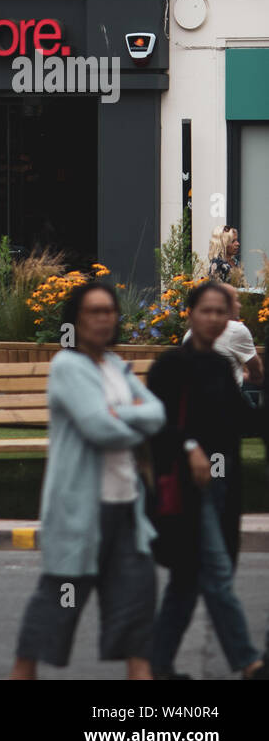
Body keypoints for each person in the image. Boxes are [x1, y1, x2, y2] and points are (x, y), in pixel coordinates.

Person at [10, 282, 166, 680]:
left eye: (108, 311)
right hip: (80, 511)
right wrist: (128, 418)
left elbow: (157, 413)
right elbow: (100, 429)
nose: (102, 319)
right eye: (93, 312)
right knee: (58, 607)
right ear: (76, 320)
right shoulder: (67, 367)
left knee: (137, 612)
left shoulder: (115, 366)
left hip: (127, 509)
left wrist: (118, 415)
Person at [146, 281, 268, 680]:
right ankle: (249, 663)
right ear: (190, 314)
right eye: (206, 310)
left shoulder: (219, 366)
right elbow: (156, 425)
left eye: (221, 312)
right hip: (187, 486)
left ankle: (157, 664)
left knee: (187, 579)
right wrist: (188, 446)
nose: (214, 318)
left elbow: (243, 421)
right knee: (215, 573)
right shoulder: (170, 366)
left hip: (222, 483)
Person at [180, 282, 263, 390]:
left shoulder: (189, 333)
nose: (240, 305)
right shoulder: (236, 330)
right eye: (236, 300)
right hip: (227, 399)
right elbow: (257, 374)